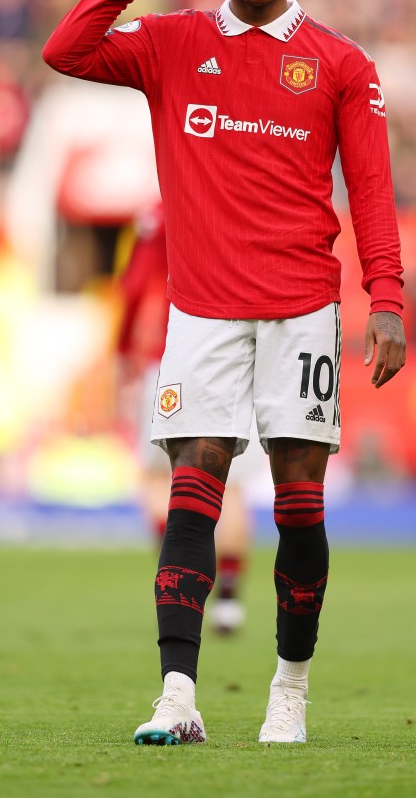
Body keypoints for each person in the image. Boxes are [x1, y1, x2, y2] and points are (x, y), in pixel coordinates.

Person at [43, 0, 406, 746]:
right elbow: (66, 48)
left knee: (299, 508)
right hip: (202, 312)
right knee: (190, 499)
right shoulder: (174, 43)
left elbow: (375, 194)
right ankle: (178, 696)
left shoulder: (339, 63)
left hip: (302, 310)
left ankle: (290, 688)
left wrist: (384, 297)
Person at [115, 203, 257, 633]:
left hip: (174, 356)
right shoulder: (241, 201)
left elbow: (134, 287)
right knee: (228, 484)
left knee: (160, 479)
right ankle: (229, 599)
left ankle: (180, 590)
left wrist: (122, 351)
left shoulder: (159, 213)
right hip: (238, 358)